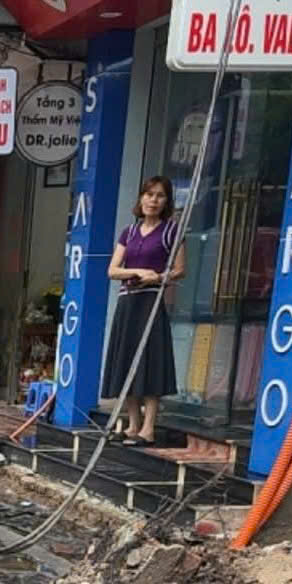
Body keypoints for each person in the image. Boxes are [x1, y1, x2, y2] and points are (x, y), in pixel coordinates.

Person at [104, 175, 185, 447]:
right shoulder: (129, 232)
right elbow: (113, 270)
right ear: (141, 198)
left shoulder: (171, 231)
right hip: (128, 302)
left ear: (166, 201)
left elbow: (180, 271)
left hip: (151, 302)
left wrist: (158, 277)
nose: (153, 200)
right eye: (149, 194)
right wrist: (137, 271)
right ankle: (132, 424)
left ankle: (148, 428)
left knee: (151, 363)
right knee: (126, 360)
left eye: (159, 196)